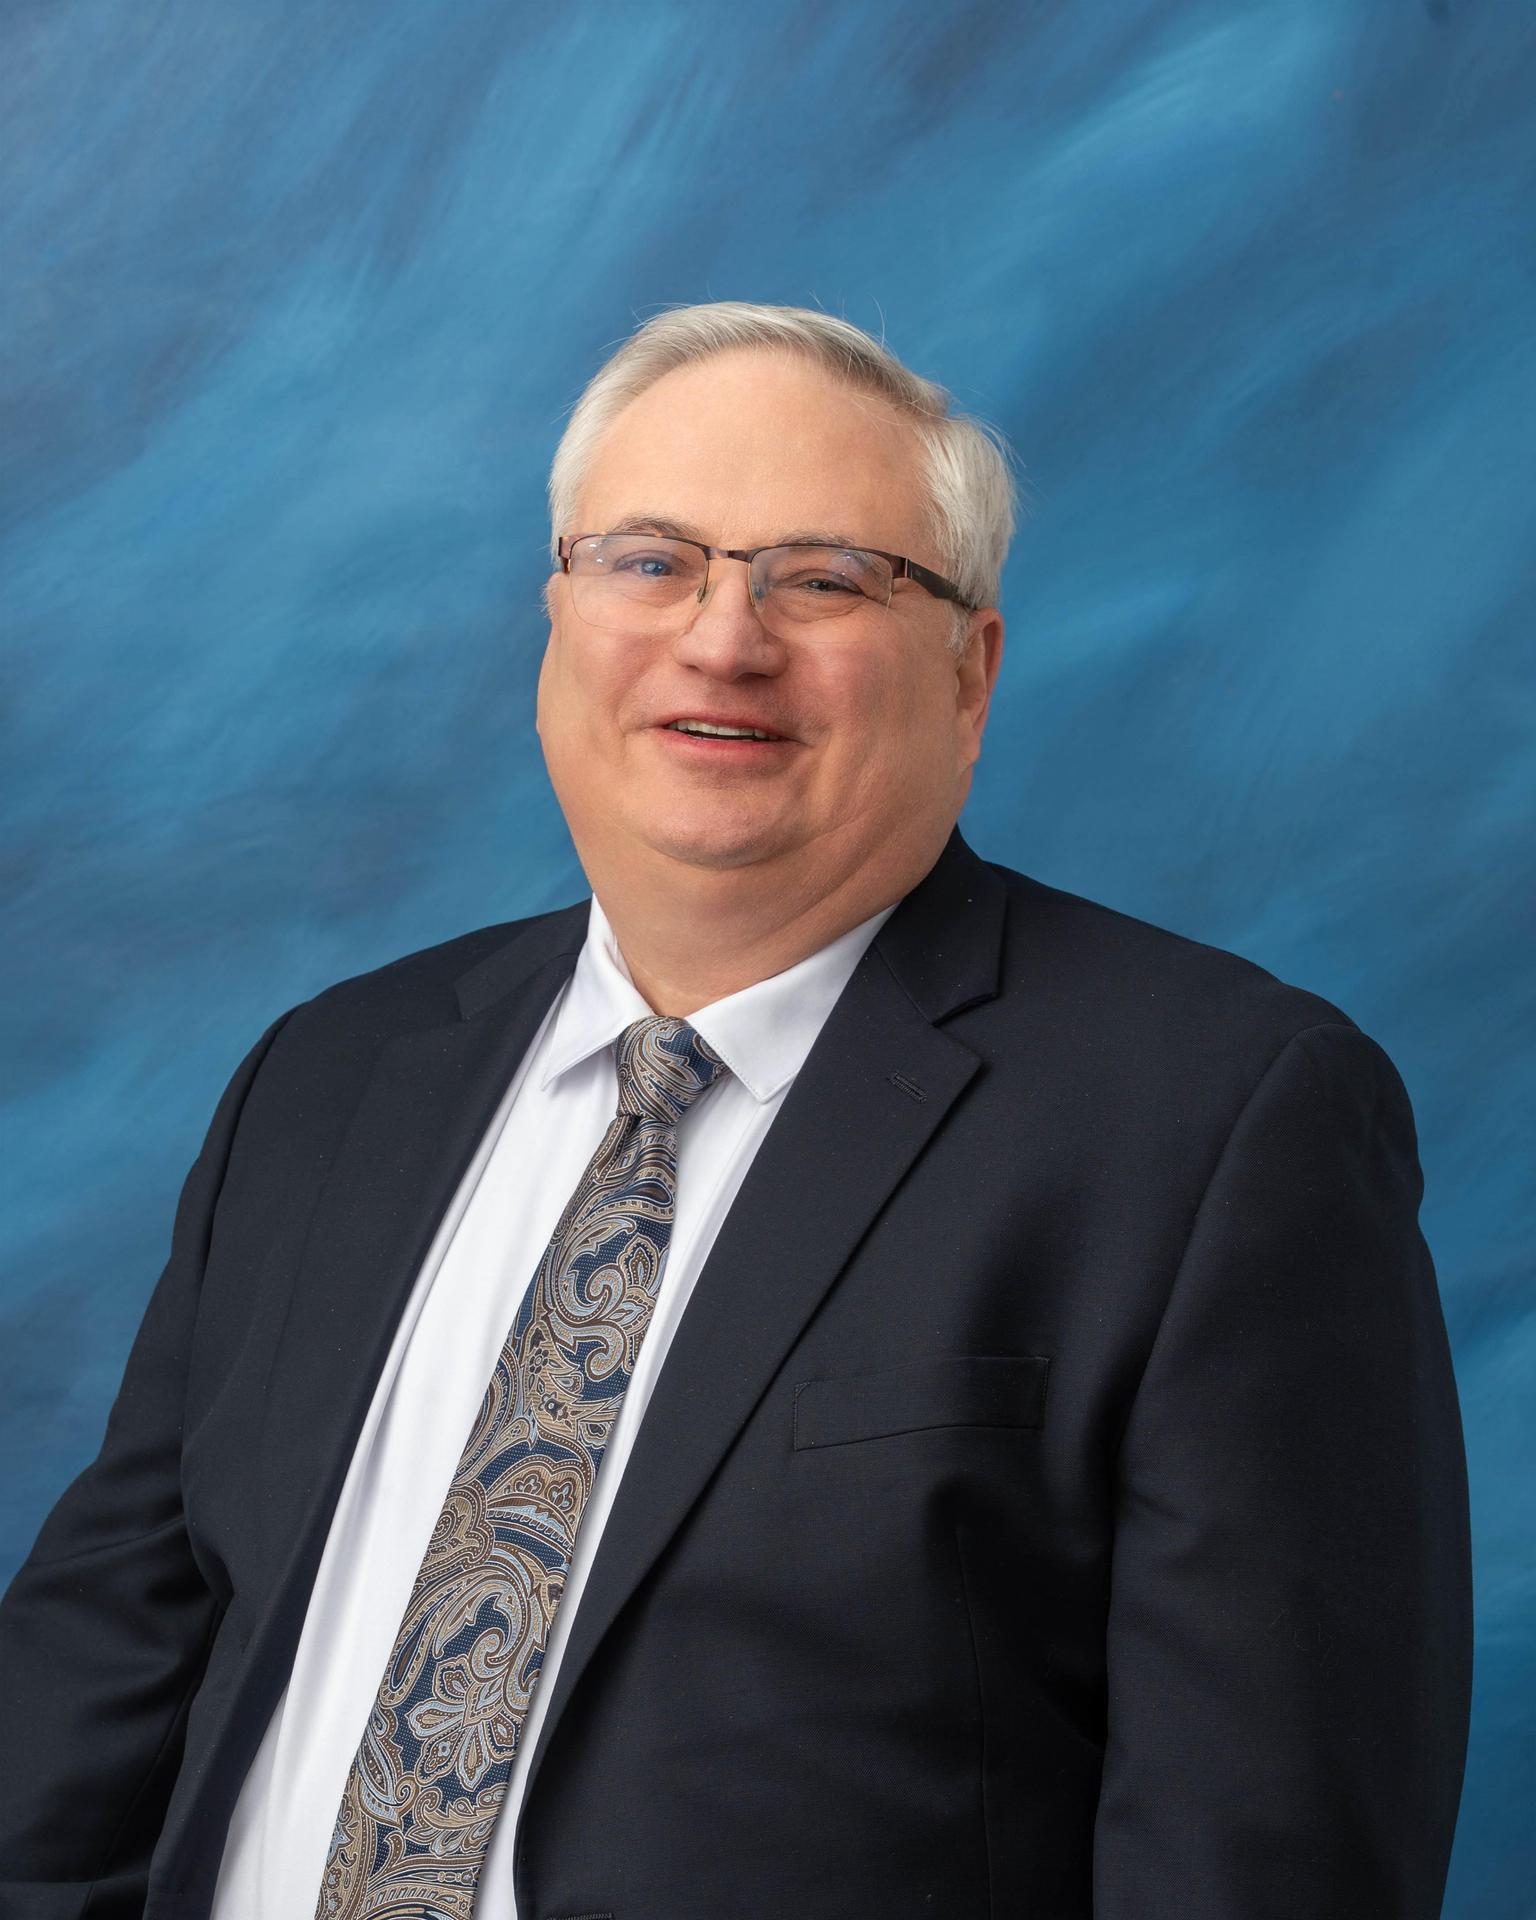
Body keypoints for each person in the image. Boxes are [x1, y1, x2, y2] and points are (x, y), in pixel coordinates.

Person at [0, 301, 1471, 1920]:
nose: (722, 639)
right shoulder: (332, 1077)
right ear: (556, 618)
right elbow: (94, 1691)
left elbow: (1262, 1864)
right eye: (652, 562)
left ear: (969, 671)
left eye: (825, 577)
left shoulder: (1217, 1119)